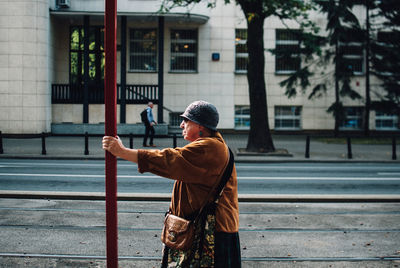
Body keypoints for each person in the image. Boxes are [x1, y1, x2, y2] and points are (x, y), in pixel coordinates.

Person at [102, 100, 241, 267]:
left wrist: (122, 152)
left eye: (186, 121)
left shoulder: (209, 148)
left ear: (200, 126)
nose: (182, 125)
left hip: (211, 234)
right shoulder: (212, 145)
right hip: (206, 230)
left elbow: (169, 160)